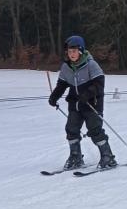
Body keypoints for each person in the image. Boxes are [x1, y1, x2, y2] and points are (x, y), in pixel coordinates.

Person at [48, 35, 117, 169]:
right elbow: (61, 85)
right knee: (71, 129)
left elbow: (99, 84)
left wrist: (87, 94)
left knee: (95, 130)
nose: (71, 54)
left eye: (74, 51)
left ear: (80, 51)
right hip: (75, 104)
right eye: (69, 51)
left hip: (92, 103)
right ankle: (76, 157)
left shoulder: (91, 65)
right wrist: (54, 97)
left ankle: (107, 157)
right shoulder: (66, 67)